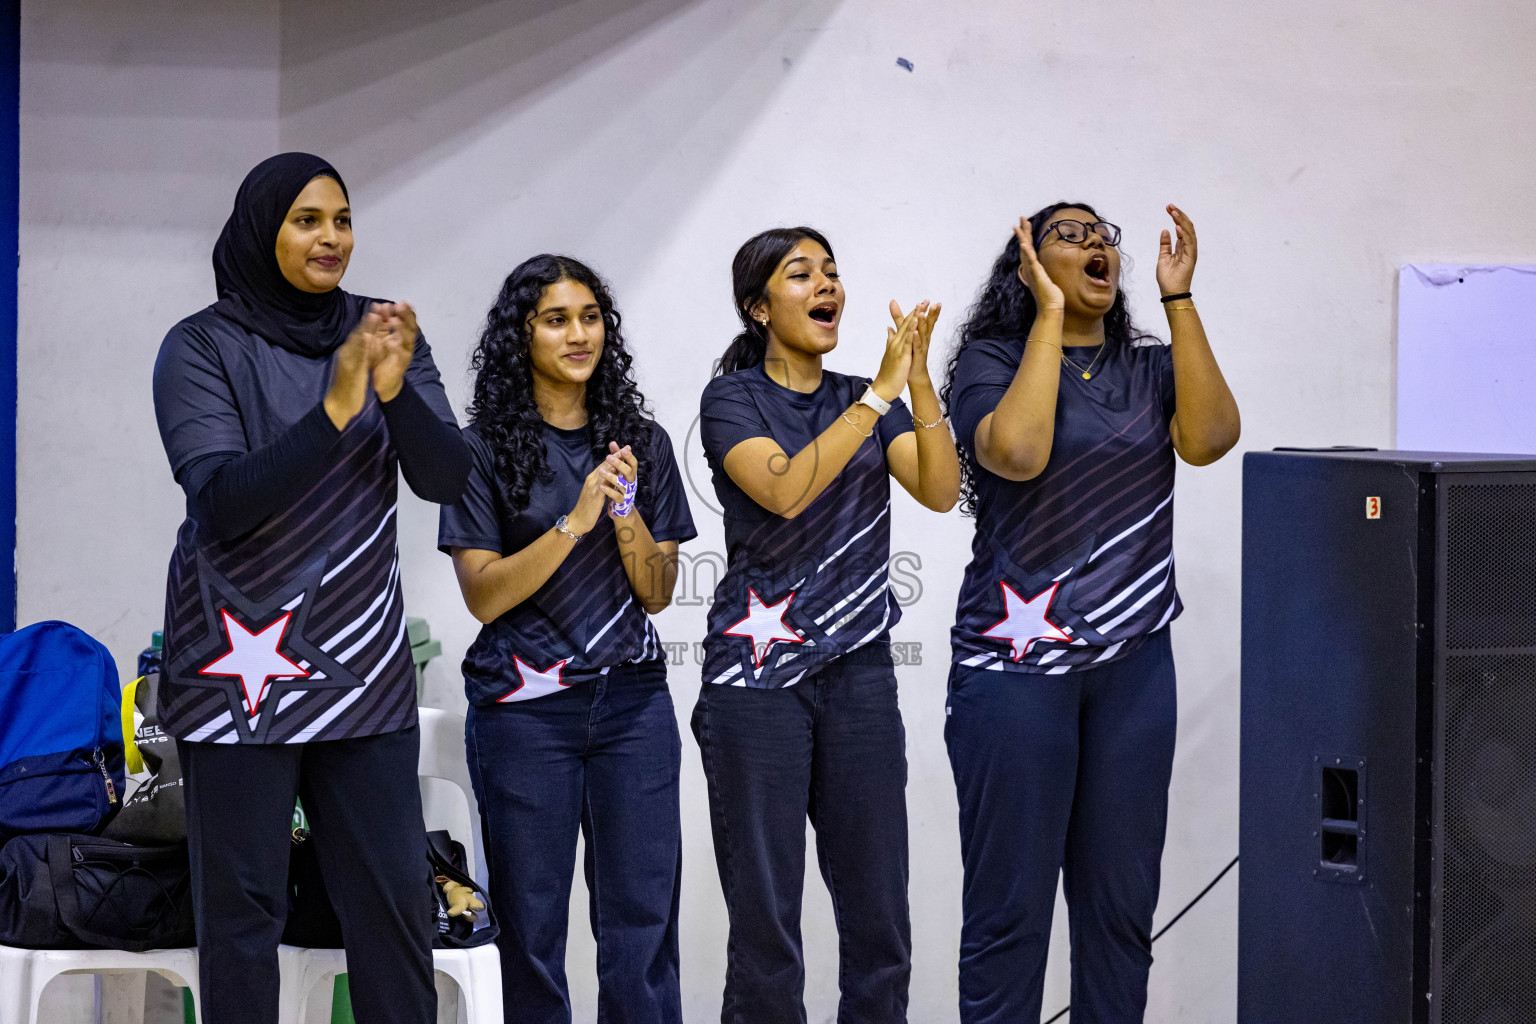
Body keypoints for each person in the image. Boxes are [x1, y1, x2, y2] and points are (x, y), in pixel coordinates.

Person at [151, 152, 470, 1024]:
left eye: (341, 219)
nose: (331, 237)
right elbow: (219, 504)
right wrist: (334, 408)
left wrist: (396, 396)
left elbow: (448, 478)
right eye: (306, 220)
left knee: (393, 908)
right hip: (235, 678)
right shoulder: (200, 346)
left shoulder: (384, 330)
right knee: (244, 917)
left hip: (362, 676)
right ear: (263, 231)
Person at [940, 202, 1240, 1023]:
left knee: (1118, 913)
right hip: (1015, 674)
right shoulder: (989, 362)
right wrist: (1046, 317)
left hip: (1134, 669)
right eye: (1073, 235)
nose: (1099, 243)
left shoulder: (1148, 367)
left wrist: (1180, 301)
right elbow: (1017, 451)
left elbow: (1213, 438)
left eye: (1105, 233)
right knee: (1010, 916)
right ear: (1030, 263)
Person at [692, 226, 960, 1023]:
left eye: (832, 273)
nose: (826, 286)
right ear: (758, 306)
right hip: (755, 685)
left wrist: (913, 384)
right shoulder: (733, 400)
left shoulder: (863, 397)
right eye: (801, 274)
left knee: (880, 917)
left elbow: (940, 490)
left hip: (860, 678)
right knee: (768, 927)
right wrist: (877, 396)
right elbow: (782, 489)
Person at [440, 254, 697, 1024]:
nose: (578, 333)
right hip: (525, 716)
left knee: (642, 927)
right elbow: (484, 594)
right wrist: (573, 520)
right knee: (530, 930)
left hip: (633, 711)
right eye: (556, 319)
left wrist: (623, 515)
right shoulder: (479, 449)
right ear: (521, 337)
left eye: (590, 317)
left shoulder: (641, 443)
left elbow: (656, 592)